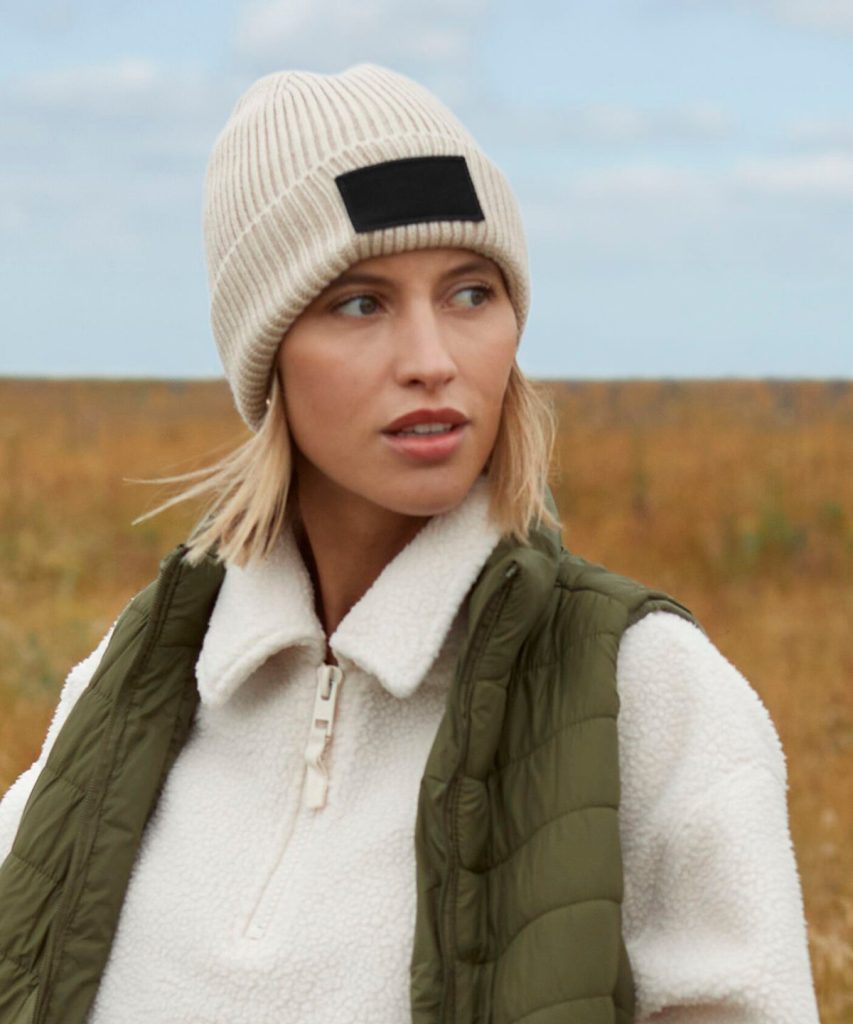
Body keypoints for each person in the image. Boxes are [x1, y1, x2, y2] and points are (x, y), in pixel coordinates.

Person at [0, 64, 819, 1024]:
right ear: (266, 354)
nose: (432, 361)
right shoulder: (138, 679)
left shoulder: (646, 690)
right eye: (361, 303)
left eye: (470, 293)